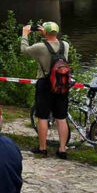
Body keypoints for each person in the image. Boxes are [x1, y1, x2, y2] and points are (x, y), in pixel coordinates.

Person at [21, 21, 70, 159]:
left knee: (42, 116)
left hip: (45, 84)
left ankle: (43, 148)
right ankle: (62, 149)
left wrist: (25, 34)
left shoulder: (40, 47)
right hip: (62, 85)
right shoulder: (65, 45)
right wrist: (47, 34)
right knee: (61, 117)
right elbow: (53, 44)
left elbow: (24, 50)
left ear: (45, 32)